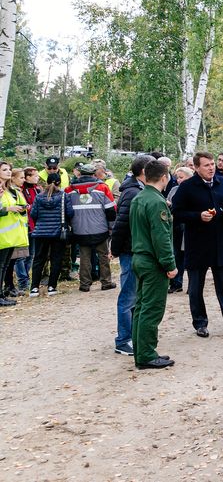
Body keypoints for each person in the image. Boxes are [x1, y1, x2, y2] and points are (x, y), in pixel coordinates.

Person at [170, 151, 223, 338]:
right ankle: (200, 323)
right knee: (195, 287)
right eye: (206, 165)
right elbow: (176, 213)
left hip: (220, 242)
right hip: (197, 244)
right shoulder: (187, 187)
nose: (211, 168)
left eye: (212, 164)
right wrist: (197, 216)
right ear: (197, 167)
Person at [129, 159, 178, 370]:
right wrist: (170, 265)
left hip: (139, 257)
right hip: (152, 261)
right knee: (152, 309)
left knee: (141, 307)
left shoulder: (139, 198)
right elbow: (161, 237)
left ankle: (142, 351)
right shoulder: (156, 202)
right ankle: (147, 354)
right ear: (164, 177)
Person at [110, 154, 153, 356]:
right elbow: (121, 224)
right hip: (129, 251)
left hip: (138, 250)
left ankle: (134, 335)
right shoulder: (132, 192)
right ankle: (123, 339)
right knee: (128, 297)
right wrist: (115, 249)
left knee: (137, 296)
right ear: (144, 172)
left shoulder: (142, 190)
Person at [66, 163, 117, 292]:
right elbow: (111, 210)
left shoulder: (69, 190)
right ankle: (106, 282)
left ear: (80, 173)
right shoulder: (102, 187)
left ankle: (84, 284)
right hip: (100, 229)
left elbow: (66, 211)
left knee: (84, 257)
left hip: (79, 229)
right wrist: (111, 227)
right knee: (103, 256)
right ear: (93, 174)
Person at [29, 173, 73, 297]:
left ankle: (34, 288)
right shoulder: (64, 196)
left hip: (40, 232)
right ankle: (52, 286)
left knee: (38, 260)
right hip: (58, 232)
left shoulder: (39, 197)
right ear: (59, 182)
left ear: (47, 182)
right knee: (56, 259)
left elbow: (33, 214)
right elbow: (70, 213)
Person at [0, 164, 29, 302]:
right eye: (4, 170)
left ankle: (2, 294)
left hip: (9, 236)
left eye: (9, 169)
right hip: (3, 235)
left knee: (5, 266)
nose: (8, 172)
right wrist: (8, 208)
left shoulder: (9, 190)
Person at [167, 166, 193, 293]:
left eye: (181, 177)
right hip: (176, 226)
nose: (178, 180)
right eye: (177, 177)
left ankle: (192, 285)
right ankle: (176, 283)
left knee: (190, 255)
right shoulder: (174, 189)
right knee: (177, 254)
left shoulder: (195, 190)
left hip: (190, 226)